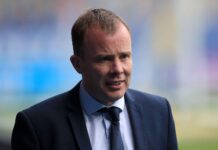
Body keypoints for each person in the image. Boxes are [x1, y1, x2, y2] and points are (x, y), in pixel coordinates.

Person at [11, 8, 178, 150]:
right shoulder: (37, 126)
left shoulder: (159, 113)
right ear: (77, 64)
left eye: (124, 56)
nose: (118, 69)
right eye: (104, 59)